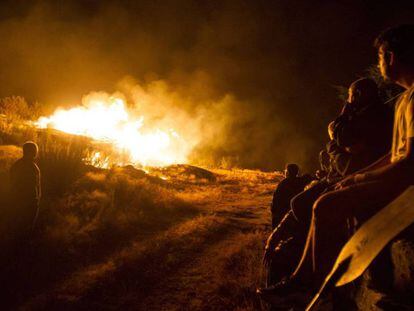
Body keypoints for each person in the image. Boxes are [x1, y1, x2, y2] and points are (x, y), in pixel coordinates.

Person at [259, 24, 414, 300]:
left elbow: (407, 165)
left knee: (326, 204)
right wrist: (355, 177)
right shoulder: (404, 100)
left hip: (406, 189)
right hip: (396, 180)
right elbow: (392, 155)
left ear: (391, 57)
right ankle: (301, 278)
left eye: (380, 57)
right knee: (327, 194)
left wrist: (358, 178)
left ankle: (316, 288)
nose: (378, 64)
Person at [262, 77, 394, 287]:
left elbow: (348, 157)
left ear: (357, 95)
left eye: (350, 97)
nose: (348, 102)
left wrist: (334, 142)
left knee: (311, 204)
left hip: (354, 177)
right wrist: (341, 140)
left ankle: (311, 280)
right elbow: (347, 143)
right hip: (347, 172)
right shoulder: (366, 115)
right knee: (300, 203)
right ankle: (300, 267)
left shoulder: (373, 117)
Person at [9, 141, 41, 235]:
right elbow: (37, 185)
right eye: (34, 151)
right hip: (27, 200)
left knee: (23, 226)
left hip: (25, 200)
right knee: (26, 226)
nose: (35, 153)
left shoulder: (17, 165)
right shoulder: (33, 167)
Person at [270, 163, 306, 229]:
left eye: (286, 171)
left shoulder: (284, 183)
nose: (285, 172)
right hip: (296, 213)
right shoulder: (301, 182)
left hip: (283, 213)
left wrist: (273, 210)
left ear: (288, 172)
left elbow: (276, 200)